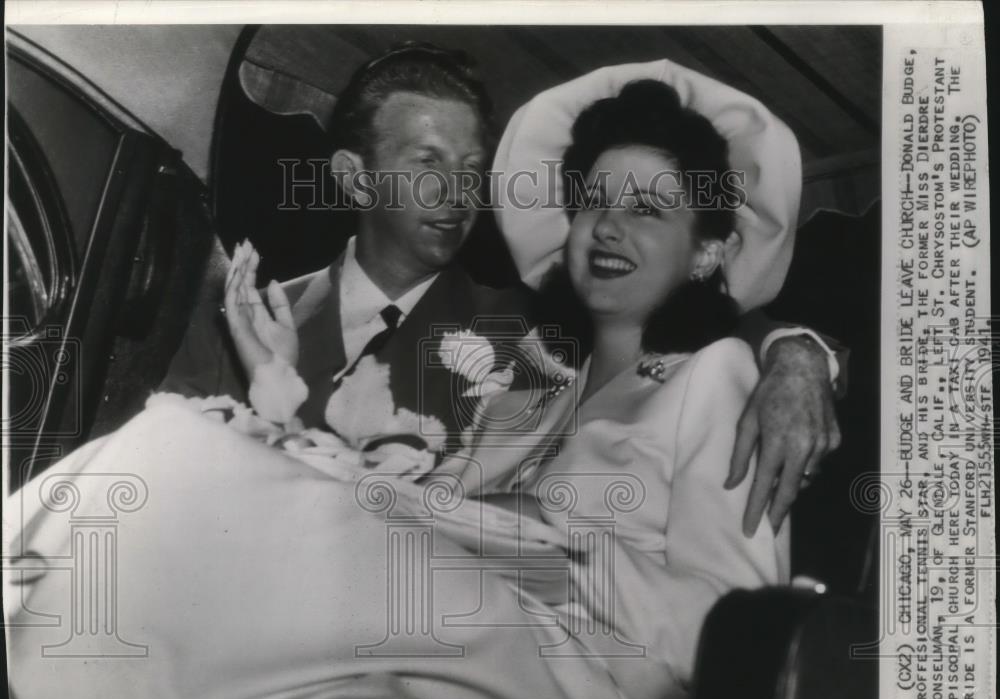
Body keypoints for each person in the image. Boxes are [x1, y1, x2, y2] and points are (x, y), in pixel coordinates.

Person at [8, 64, 793, 699]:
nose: (609, 228)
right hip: (472, 621)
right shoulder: (542, 382)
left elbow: (739, 635)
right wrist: (280, 404)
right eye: (595, 201)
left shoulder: (722, 374)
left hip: (584, 670)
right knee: (176, 445)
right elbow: (433, 509)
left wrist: (548, 551)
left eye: (648, 210)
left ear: (710, 251)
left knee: (188, 465)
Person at [161, 42, 841, 533]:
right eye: (428, 163)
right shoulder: (241, 318)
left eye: (471, 169)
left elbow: (677, 317)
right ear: (354, 176)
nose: (457, 194)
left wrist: (798, 354)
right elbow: (177, 484)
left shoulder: (534, 333)